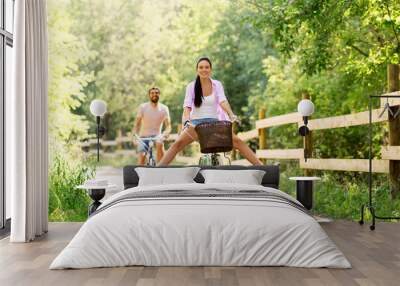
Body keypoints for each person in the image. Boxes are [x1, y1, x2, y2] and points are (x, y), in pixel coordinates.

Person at [158, 57, 262, 166]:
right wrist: (187, 120)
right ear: (197, 70)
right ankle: (157, 170)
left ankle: (263, 168)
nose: (204, 70)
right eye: (201, 67)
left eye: (207, 67)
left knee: (238, 142)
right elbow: (187, 107)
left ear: (210, 69)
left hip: (214, 124)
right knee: (177, 144)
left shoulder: (217, 84)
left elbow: (223, 101)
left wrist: (231, 114)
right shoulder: (191, 86)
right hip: (195, 125)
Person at [133, 87, 171, 165]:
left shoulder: (164, 108)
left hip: (157, 136)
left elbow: (168, 126)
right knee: (141, 156)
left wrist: (165, 133)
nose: (154, 94)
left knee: (159, 143)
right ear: (149, 95)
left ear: (159, 95)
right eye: (152, 93)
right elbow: (137, 124)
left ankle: (160, 168)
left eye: (156, 93)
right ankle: (141, 175)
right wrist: (134, 135)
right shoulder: (143, 107)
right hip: (143, 136)